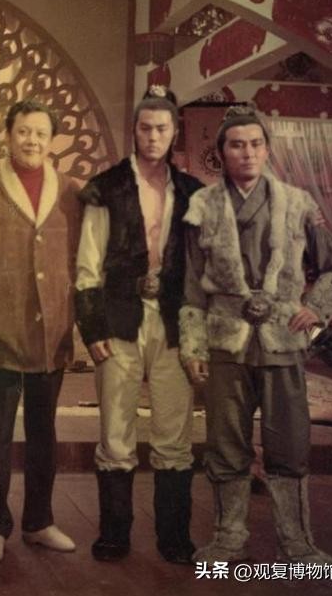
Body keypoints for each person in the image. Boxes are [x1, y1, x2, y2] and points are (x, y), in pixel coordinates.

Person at [179, 106, 332, 564]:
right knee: (225, 442)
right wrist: (193, 344)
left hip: (282, 342)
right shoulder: (202, 207)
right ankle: (228, 537)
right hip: (226, 343)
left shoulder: (298, 203)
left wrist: (316, 308)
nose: (247, 152)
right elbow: (192, 284)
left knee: (289, 443)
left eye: (255, 144)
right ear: (221, 152)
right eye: (237, 144)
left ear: (267, 150)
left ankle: (297, 542)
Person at [74, 86, 203, 564]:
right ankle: (114, 534)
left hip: (174, 321)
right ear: (134, 131)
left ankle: (174, 537)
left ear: (174, 133)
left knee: (174, 431)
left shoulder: (192, 192)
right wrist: (92, 330)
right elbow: (88, 265)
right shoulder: (105, 187)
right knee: (115, 430)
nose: (152, 136)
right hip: (118, 319)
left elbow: (201, 269)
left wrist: (197, 336)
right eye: (145, 128)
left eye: (161, 129)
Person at [0, 99, 82, 564]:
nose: (32, 141)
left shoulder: (70, 192)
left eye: (41, 133)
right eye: (24, 131)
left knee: (44, 432)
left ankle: (39, 521)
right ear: (8, 134)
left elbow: (82, 254)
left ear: (51, 140)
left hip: (52, 332)